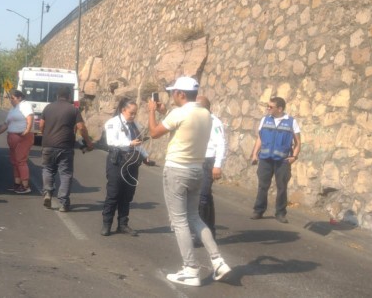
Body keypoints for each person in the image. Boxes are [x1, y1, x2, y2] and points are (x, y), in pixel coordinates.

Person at [148, 77, 231, 286]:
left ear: (181, 94)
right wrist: (164, 111)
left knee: (179, 221)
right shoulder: (206, 114)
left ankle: (190, 268)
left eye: (173, 92)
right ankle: (217, 260)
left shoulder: (179, 113)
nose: (172, 95)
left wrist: (151, 111)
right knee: (194, 217)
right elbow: (182, 124)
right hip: (197, 170)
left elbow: (154, 133)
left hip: (177, 170)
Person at [100, 97, 153, 236]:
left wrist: (145, 155)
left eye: (135, 113)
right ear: (123, 110)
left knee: (127, 195)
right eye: (131, 113)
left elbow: (139, 143)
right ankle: (107, 224)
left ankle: (123, 225)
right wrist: (129, 143)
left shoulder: (135, 124)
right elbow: (111, 141)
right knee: (113, 194)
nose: (134, 116)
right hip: (117, 161)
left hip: (132, 163)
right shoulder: (113, 123)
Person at [40, 85, 93, 212]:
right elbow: (81, 127)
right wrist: (88, 142)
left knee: (47, 169)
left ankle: (47, 192)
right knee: (65, 174)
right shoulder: (73, 110)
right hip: (65, 146)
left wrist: (46, 134)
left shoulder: (48, 107)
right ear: (69, 96)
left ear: (57, 96)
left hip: (48, 145)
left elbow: (41, 125)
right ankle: (63, 203)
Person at [249, 96, 301, 223]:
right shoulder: (265, 120)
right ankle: (258, 211)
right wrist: (255, 154)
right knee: (262, 185)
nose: (268, 108)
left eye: (270, 107)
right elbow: (260, 138)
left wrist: (294, 157)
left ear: (280, 108)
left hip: (282, 161)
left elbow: (298, 142)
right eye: (267, 106)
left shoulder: (291, 121)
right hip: (265, 159)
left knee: (282, 187)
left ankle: (280, 213)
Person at [0, 89, 35, 194]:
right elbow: (6, 124)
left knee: (21, 161)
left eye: (12, 98)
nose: (11, 100)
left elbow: (30, 118)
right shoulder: (14, 109)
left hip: (22, 137)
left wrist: (27, 130)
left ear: (19, 98)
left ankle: (25, 186)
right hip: (13, 137)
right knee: (15, 162)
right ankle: (17, 184)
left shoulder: (25, 105)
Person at [197, 95, 227, 240]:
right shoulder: (197, 120)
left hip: (209, 161)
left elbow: (221, 144)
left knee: (202, 197)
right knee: (206, 196)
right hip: (197, 159)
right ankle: (211, 231)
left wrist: (217, 165)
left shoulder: (215, 122)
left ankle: (202, 234)